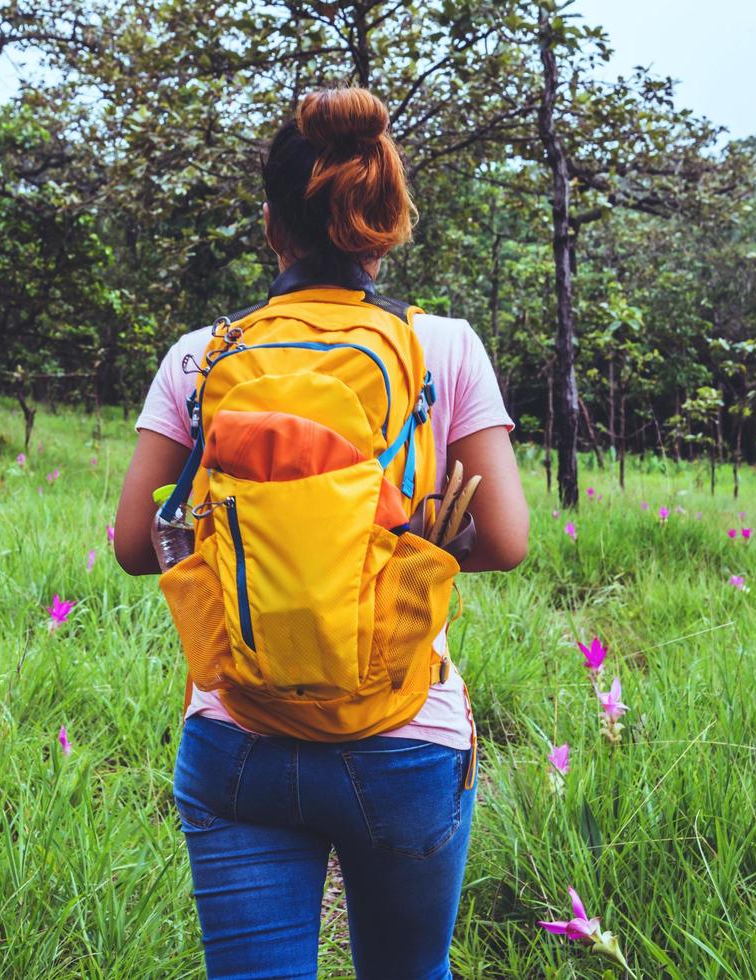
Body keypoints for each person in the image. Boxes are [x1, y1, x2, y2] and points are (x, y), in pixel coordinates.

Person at [113, 87, 529, 980]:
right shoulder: (442, 347)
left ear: (272, 225)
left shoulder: (202, 355)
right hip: (405, 733)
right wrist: (413, 537)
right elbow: (506, 537)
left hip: (237, 735)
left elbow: (131, 543)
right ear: (380, 218)